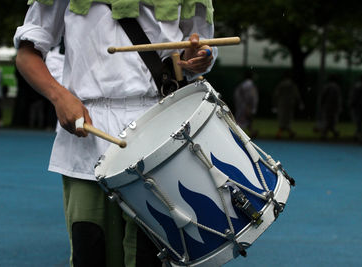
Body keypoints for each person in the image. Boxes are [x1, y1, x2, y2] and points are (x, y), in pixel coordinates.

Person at [14, 1, 217, 266]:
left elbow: (198, 47)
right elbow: (26, 53)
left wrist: (199, 59)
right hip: (88, 130)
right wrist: (59, 96)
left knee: (150, 257)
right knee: (91, 252)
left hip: (160, 128)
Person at [272, 75, 303, 139]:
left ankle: (281, 133)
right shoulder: (292, 84)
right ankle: (288, 132)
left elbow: (276, 94)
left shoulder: (281, 84)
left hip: (282, 103)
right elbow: (296, 93)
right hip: (290, 103)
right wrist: (299, 102)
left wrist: (275, 103)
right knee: (288, 118)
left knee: (282, 118)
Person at [233, 71, 259, 137]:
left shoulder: (243, 84)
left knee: (246, 121)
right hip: (245, 106)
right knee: (242, 121)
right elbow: (250, 97)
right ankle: (238, 135)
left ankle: (251, 132)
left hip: (242, 106)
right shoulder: (249, 85)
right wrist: (249, 107)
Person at [349, 75, 362, 142]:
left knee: (359, 122)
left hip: (358, 107)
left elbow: (353, 96)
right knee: (361, 122)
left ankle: (359, 135)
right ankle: (360, 136)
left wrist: (352, 103)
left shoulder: (357, 86)